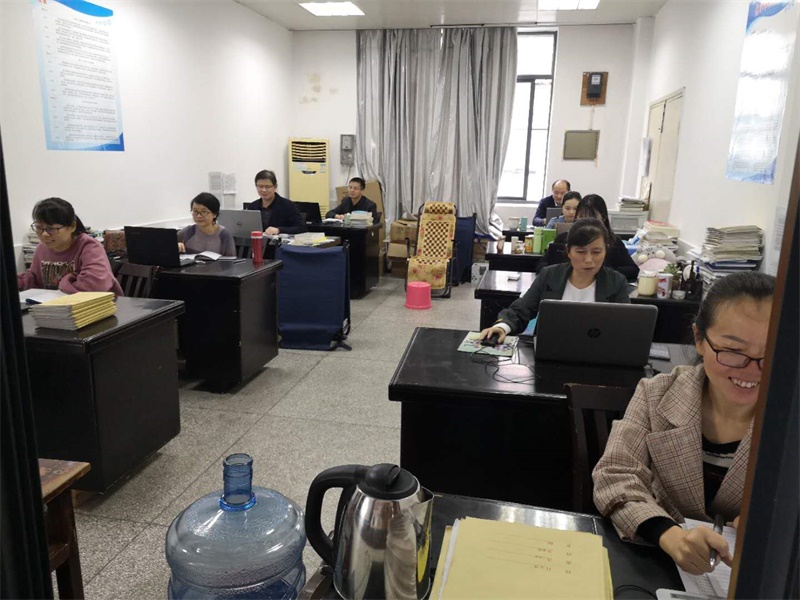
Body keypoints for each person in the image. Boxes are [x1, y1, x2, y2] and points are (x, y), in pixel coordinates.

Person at [593, 271, 775, 576]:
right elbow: (615, 475)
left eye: (771, 354)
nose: (752, 371)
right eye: (733, 351)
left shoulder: (789, 420)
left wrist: (775, 521)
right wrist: (668, 534)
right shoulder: (656, 393)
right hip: (656, 562)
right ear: (699, 339)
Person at [478, 219, 629, 342]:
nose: (589, 260)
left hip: (600, 354)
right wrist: (502, 327)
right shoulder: (550, 275)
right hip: (549, 350)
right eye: (581, 252)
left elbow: (625, 326)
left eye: (596, 252)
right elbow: (521, 309)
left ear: (606, 251)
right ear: (568, 251)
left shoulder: (616, 283)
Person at [18, 197, 123, 296]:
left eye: (51, 228)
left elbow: (95, 285)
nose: (44, 234)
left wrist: (65, 282)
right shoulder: (42, 248)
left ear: (72, 226)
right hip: (56, 306)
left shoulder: (89, 247)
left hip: (95, 306)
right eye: (39, 227)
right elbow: (33, 279)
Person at [539, 194, 639, 281]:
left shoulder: (613, 242)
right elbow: (541, 265)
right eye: (582, 219)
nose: (587, 224)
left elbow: (633, 270)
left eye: (592, 219)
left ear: (603, 219)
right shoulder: (563, 238)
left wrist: (603, 272)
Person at [245, 170, 307, 235]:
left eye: (267, 187)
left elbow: (302, 228)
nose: (264, 190)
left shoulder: (288, 205)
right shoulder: (252, 206)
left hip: (279, 241)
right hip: (257, 240)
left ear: (275, 187)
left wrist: (279, 230)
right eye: (260, 186)